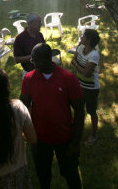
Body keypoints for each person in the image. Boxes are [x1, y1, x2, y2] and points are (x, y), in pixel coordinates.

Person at [20, 43, 84, 189]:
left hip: (65, 138)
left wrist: (75, 142)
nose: (33, 64)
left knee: (71, 175)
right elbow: (23, 105)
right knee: (43, 176)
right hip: (39, 139)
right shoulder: (29, 78)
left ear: (49, 59)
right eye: (32, 61)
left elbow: (80, 111)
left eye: (36, 61)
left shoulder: (68, 79)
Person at [71, 28, 100, 145]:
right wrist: (78, 65)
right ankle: (78, 130)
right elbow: (72, 60)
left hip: (91, 88)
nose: (81, 38)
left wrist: (76, 64)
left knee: (91, 111)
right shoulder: (80, 47)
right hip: (79, 85)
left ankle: (94, 135)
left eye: (83, 36)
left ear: (88, 40)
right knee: (78, 108)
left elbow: (86, 73)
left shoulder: (94, 54)